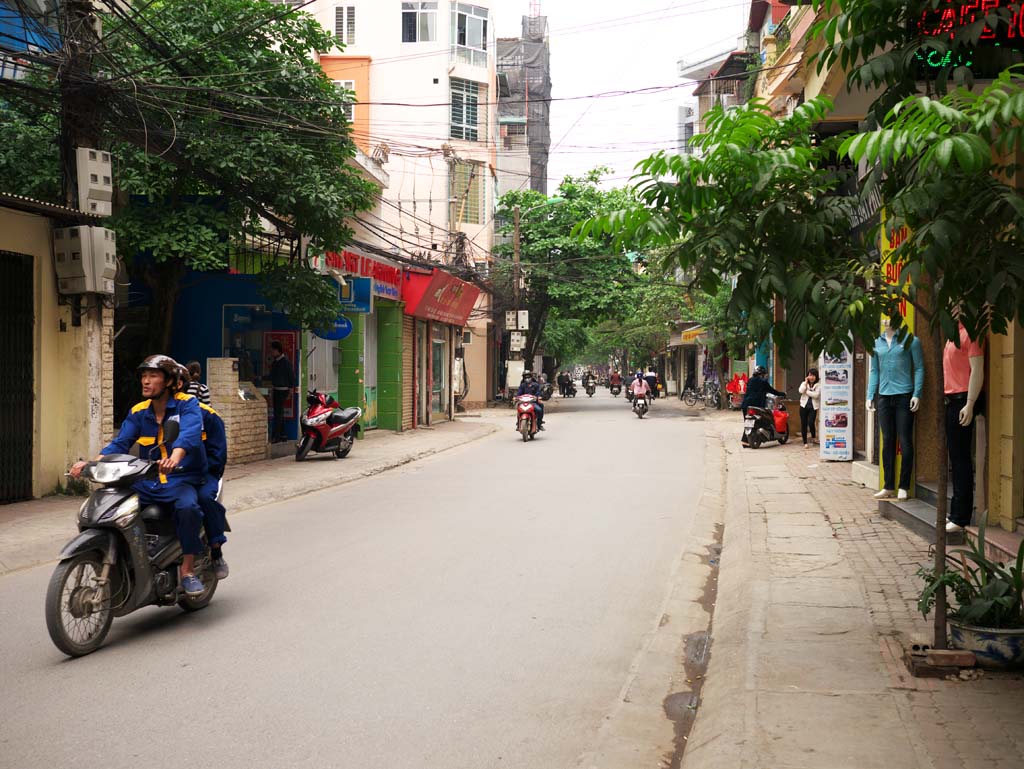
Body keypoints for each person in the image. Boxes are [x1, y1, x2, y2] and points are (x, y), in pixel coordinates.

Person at [69, 355, 208, 596]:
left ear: (169, 382)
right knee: (115, 507)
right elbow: (120, 443)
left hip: (180, 478)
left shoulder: (187, 405)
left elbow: (189, 434)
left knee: (188, 509)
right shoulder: (139, 411)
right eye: (144, 376)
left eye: (153, 376)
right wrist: (91, 463)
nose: (145, 381)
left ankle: (187, 570)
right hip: (148, 480)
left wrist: (174, 459)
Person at [176, 365, 229, 579]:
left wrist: (204, 470)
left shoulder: (208, 416)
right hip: (166, 474)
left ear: (178, 384)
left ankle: (215, 548)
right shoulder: (155, 411)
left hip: (201, 473)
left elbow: (218, 454)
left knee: (203, 499)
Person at [269, 340, 296, 443]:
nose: (271, 352)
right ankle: (283, 434)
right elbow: (272, 376)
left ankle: (276, 436)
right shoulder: (275, 362)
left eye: (272, 350)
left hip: (282, 391)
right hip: (276, 390)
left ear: (277, 350)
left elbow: (292, 378)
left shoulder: (285, 362)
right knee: (279, 413)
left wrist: (290, 391)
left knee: (278, 414)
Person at [798, 367, 821, 448]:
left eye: (813, 375)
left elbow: (816, 395)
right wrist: (805, 382)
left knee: (811, 422)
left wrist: (807, 392)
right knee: (803, 424)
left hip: (813, 407)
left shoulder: (818, 385)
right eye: (810, 375)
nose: (812, 377)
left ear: (816, 376)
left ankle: (814, 437)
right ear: (807, 376)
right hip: (803, 406)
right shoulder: (804, 383)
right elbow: (800, 391)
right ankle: (805, 442)